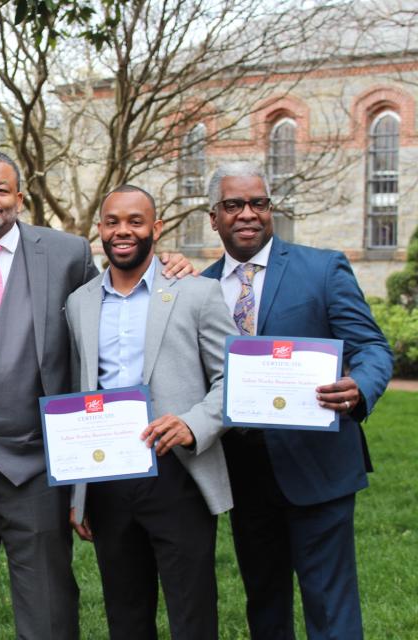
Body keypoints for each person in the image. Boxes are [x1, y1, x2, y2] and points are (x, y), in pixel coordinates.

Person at [0, 151, 193, 639]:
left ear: (19, 198)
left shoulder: (66, 254)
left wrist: (166, 264)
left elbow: (108, 312)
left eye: (1, 189)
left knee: (49, 607)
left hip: (37, 464)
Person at [201, 162, 393, 640]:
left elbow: (370, 347)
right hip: (243, 471)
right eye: (233, 205)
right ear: (214, 217)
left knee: (330, 607)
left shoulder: (322, 267)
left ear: (271, 210)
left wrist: (361, 388)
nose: (248, 214)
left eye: (259, 203)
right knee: (264, 604)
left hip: (319, 464)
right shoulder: (196, 288)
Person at [65, 185, 236, 640]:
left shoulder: (197, 294)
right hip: (108, 478)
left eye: (136, 221)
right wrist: (78, 490)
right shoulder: (79, 302)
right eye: (113, 222)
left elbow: (233, 380)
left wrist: (193, 423)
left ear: (155, 229)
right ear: (99, 229)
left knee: (193, 612)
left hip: (178, 474)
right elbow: (78, 390)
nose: (123, 231)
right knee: (125, 614)